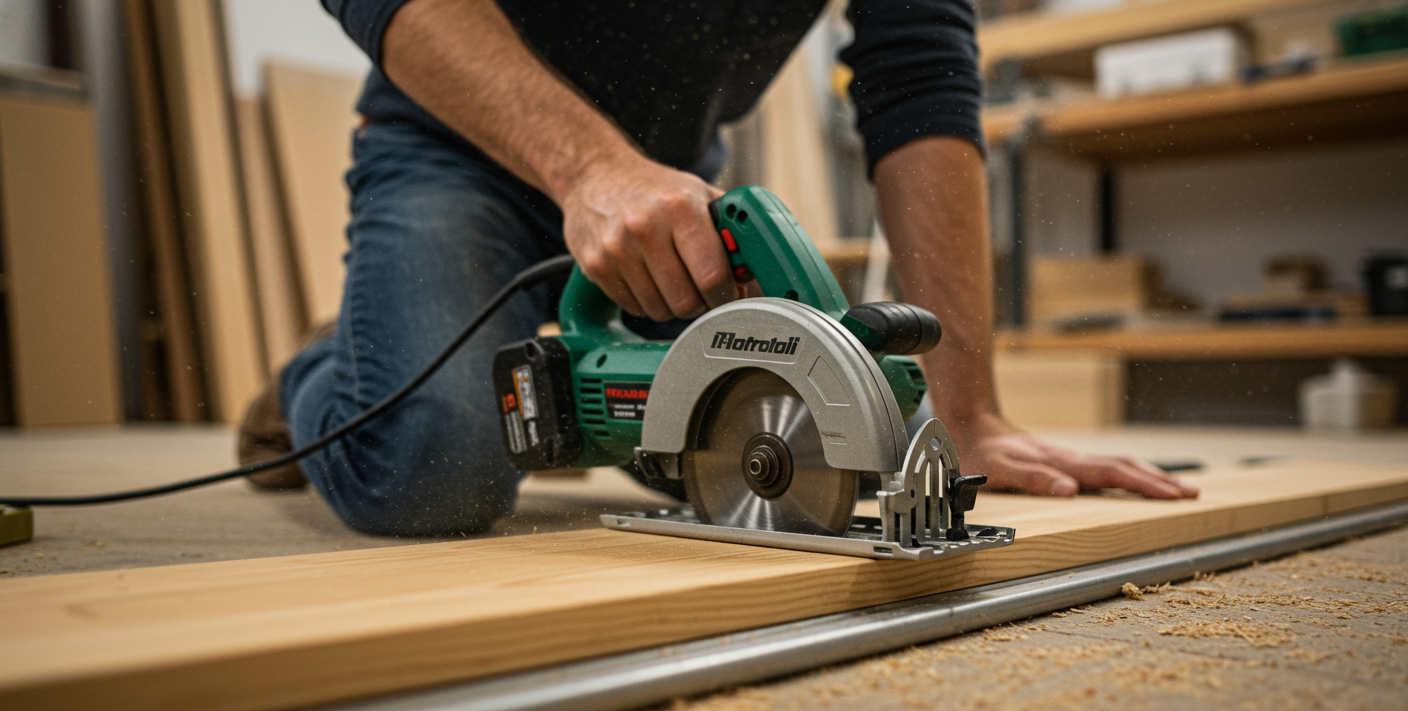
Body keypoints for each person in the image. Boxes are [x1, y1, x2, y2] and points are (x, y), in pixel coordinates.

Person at [239, 0, 1198, 536]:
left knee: (832, 434)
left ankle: (415, 350)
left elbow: (917, 71)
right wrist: (587, 169)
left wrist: (964, 408)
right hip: (451, 149)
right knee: (434, 471)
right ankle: (325, 376)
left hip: (669, 189)